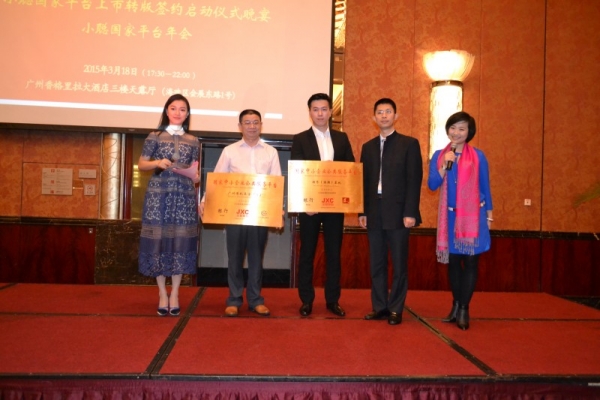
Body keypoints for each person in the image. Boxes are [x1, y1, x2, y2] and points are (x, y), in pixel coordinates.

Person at [199, 109, 281, 317]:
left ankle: (255, 300)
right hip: (234, 213)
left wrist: (277, 209)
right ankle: (234, 299)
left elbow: (276, 182)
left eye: (255, 122)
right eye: (247, 122)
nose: (252, 126)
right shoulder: (230, 151)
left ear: (261, 125)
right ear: (240, 126)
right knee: (234, 258)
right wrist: (205, 201)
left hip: (259, 213)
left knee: (256, 258)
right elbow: (217, 179)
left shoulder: (271, 152)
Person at [359, 98, 423, 325]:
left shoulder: (409, 144)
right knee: (376, 263)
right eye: (380, 112)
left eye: (388, 111)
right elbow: (363, 182)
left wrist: (410, 212)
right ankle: (379, 307)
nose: (384, 115)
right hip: (374, 212)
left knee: (398, 264)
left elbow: (414, 180)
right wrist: (362, 212)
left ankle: (396, 308)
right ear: (373, 117)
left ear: (396, 116)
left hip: (399, 214)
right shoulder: (367, 147)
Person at [291, 93, 355, 317]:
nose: (320, 113)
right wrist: (304, 203)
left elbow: (350, 169)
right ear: (310, 112)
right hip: (310, 206)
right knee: (307, 253)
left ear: (330, 112)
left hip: (334, 206)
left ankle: (332, 300)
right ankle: (306, 300)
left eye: (324, 109)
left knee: (333, 254)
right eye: (315, 109)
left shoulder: (341, 138)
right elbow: (297, 172)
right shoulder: (300, 139)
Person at [427, 111, 493, 330]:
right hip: (450, 216)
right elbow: (432, 185)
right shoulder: (440, 155)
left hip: (474, 217)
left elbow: (485, 186)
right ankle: (456, 305)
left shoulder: (478, 156)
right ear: (448, 130)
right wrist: (444, 165)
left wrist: (489, 214)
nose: (456, 132)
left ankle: (464, 308)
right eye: (453, 128)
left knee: (471, 262)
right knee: (454, 263)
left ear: (469, 132)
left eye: (462, 129)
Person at [138, 94, 200, 317]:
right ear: (166, 111)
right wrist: (157, 162)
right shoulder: (154, 136)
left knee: (180, 242)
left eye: (182, 109)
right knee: (159, 240)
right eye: (173, 108)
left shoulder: (193, 140)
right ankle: (162, 293)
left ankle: (175, 293)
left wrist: (195, 176)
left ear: (187, 114)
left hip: (184, 195)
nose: (177, 113)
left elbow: (196, 172)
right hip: (158, 195)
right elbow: (141, 164)